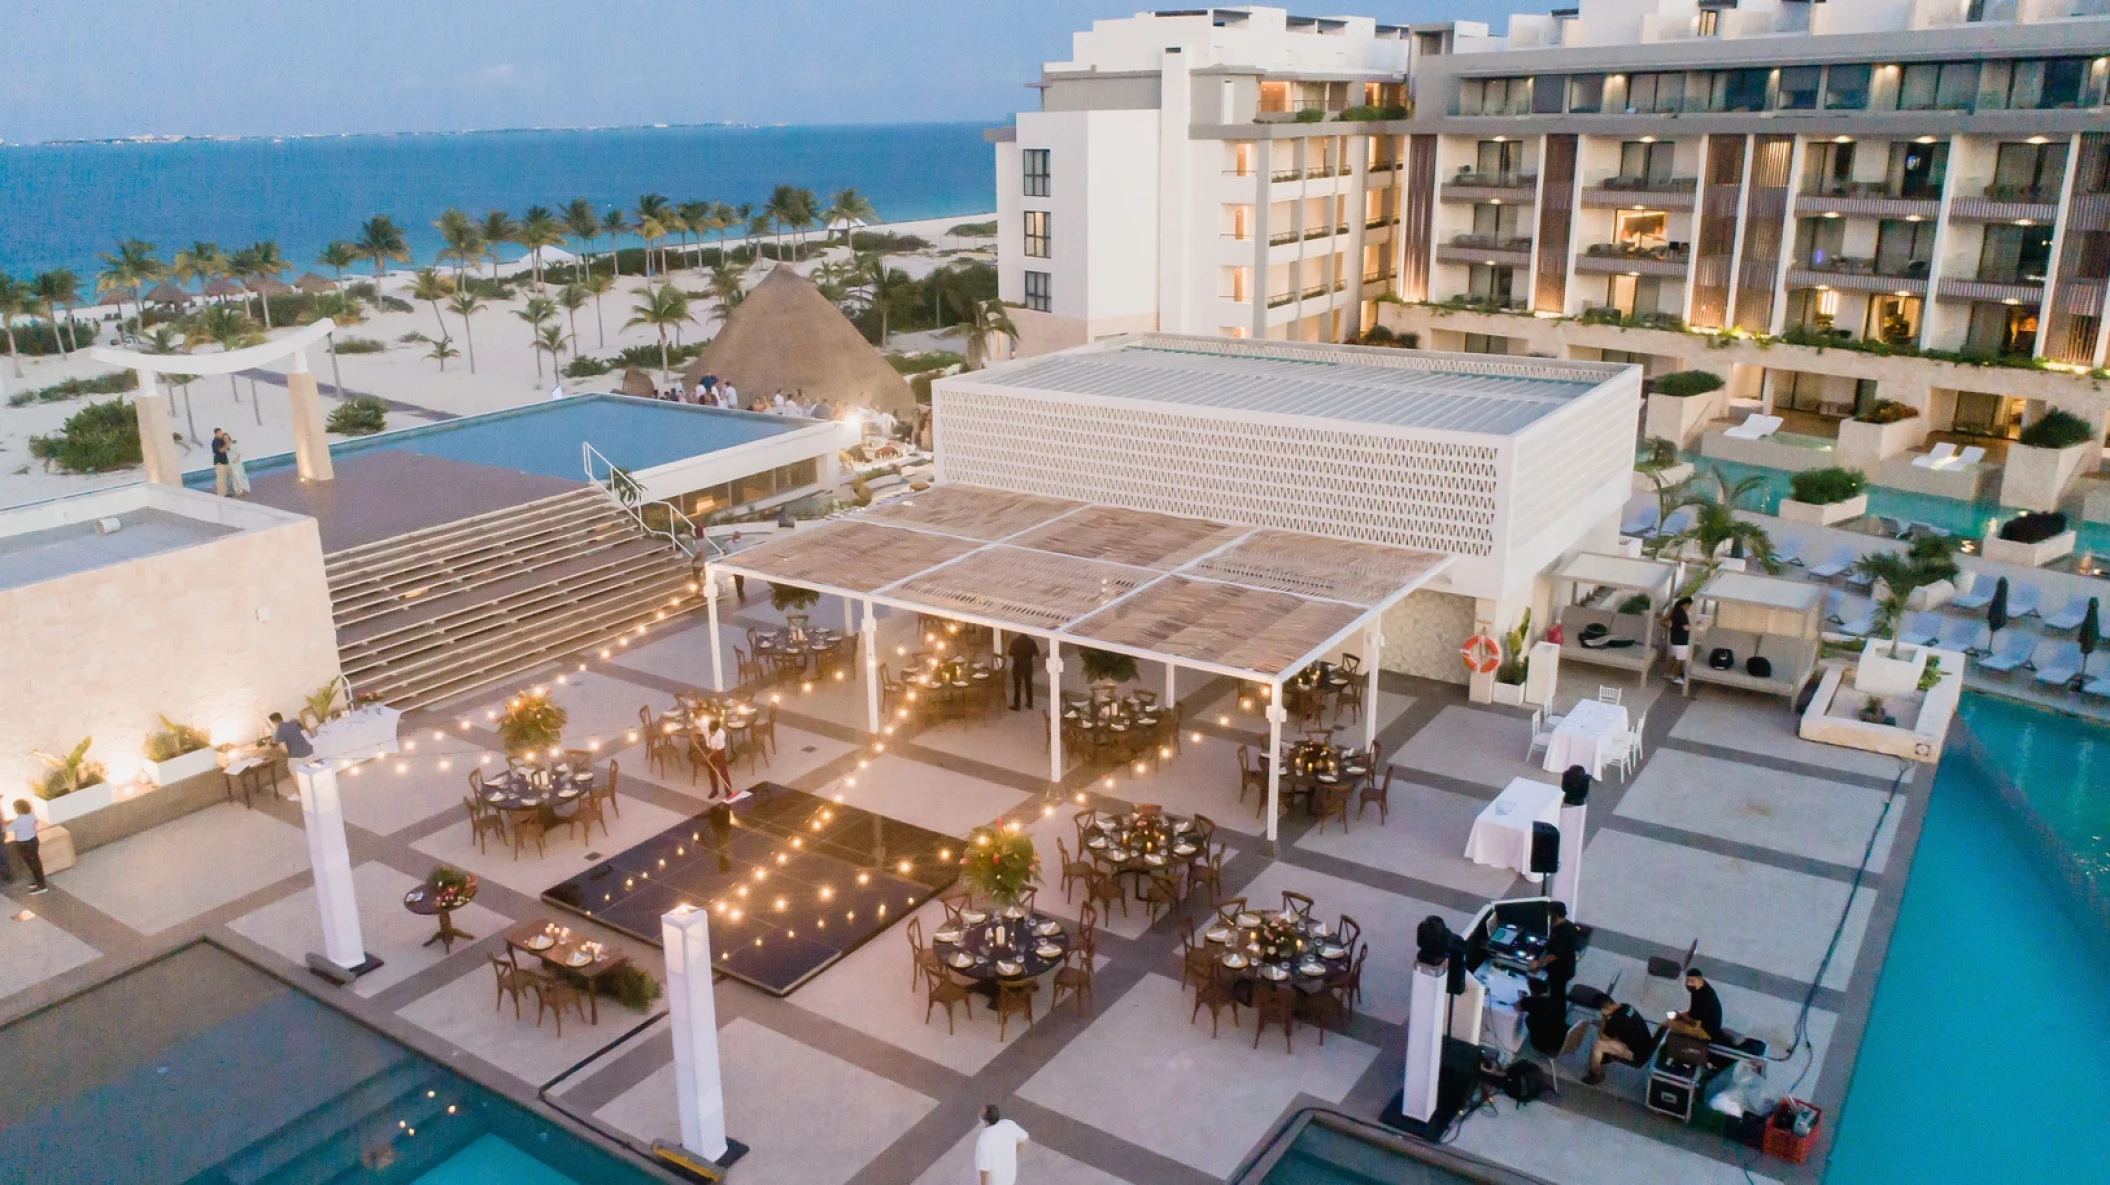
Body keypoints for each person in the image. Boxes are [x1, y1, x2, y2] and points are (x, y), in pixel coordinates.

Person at [1583, 997, 1660, 1083]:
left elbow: (1603, 1037)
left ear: (1604, 1009)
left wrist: (1603, 1018)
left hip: (1637, 1055)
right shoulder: (1626, 1006)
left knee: (1599, 1045)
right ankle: (1605, 1058)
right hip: (1645, 1046)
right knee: (1613, 1036)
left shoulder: (1615, 1020)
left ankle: (1596, 1074)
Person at [1531, 901, 1582, 1003]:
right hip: (1565, 966)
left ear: (1556, 914)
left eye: (1549, 912)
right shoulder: (1567, 925)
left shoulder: (1562, 933)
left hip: (1561, 970)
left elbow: (1555, 955)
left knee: (1557, 993)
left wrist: (1538, 962)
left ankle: (1554, 1011)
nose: (1548, 915)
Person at [973, 1104, 1028, 1185]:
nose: (979, 1116)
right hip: (1009, 1178)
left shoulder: (984, 1142)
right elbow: (1024, 1137)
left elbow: (984, 1172)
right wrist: (1014, 1151)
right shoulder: (1008, 1124)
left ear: (986, 1122)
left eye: (981, 1115)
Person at [1519, 977, 1570, 1056]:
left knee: (1529, 1018)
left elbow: (1517, 1007)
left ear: (1532, 991)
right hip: (1562, 1039)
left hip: (1544, 1044)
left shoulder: (1530, 1001)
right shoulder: (1556, 1000)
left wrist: (1522, 998)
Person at [6, 801, 49, 894]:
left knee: (32, 864)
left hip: (24, 844)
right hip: (33, 840)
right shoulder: (31, 815)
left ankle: (41, 886)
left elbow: (7, 828)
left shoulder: (19, 820)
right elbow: (35, 822)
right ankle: (39, 882)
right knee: (36, 863)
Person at [1674, 968, 1725, 1044]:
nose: (1688, 984)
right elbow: (1693, 1013)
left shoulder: (1702, 995)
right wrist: (1683, 1014)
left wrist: (1681, 1016)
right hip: (1707, 1025)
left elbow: (1694, 1021)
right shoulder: (1701, 989)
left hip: (1706, 1031)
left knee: (1672, 1027)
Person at [1007, 632, 1040, 710]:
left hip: (1017, 665)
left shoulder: (1014, 642)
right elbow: (1037, 653)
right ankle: (1030, 703)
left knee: (1017, 686)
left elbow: (1010, 653)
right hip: (1028, 665)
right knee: (1028, 684)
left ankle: (1017, 705)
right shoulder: (1031, 642)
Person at [1666, 596, 1694, 685]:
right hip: (1681, 641)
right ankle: (1676, 677)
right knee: (1679, 660)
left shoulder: (1675, 611)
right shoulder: (1682, 614)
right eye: (1689, 605)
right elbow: (1686, 627)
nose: (1689, 608)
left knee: (1672, 657)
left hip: (1674, 639)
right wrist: (1692, 627)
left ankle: (1667, 673)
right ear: (1686, 604)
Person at [225, 432, 251, 497]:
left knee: (240, 475)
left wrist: (237, 458)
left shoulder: (234, 444)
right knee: (234, 477)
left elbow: (238, 453)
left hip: (237, 463)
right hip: (231, 464)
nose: (226, 439)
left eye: (227, 437)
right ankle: (238, 490)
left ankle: (244, 489)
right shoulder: (225, 447)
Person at [211, 429, 234, 496]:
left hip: (226, 461)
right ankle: (222, 494)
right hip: (220, 462)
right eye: (219, 433)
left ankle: (235, 490)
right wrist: (227, 445)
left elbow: (228, 449)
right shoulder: (215, 441)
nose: (221, 434)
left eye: (221, 433)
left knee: (233, 475)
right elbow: (221, 450)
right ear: (216, 434)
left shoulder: (222, 440)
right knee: (221, 479)